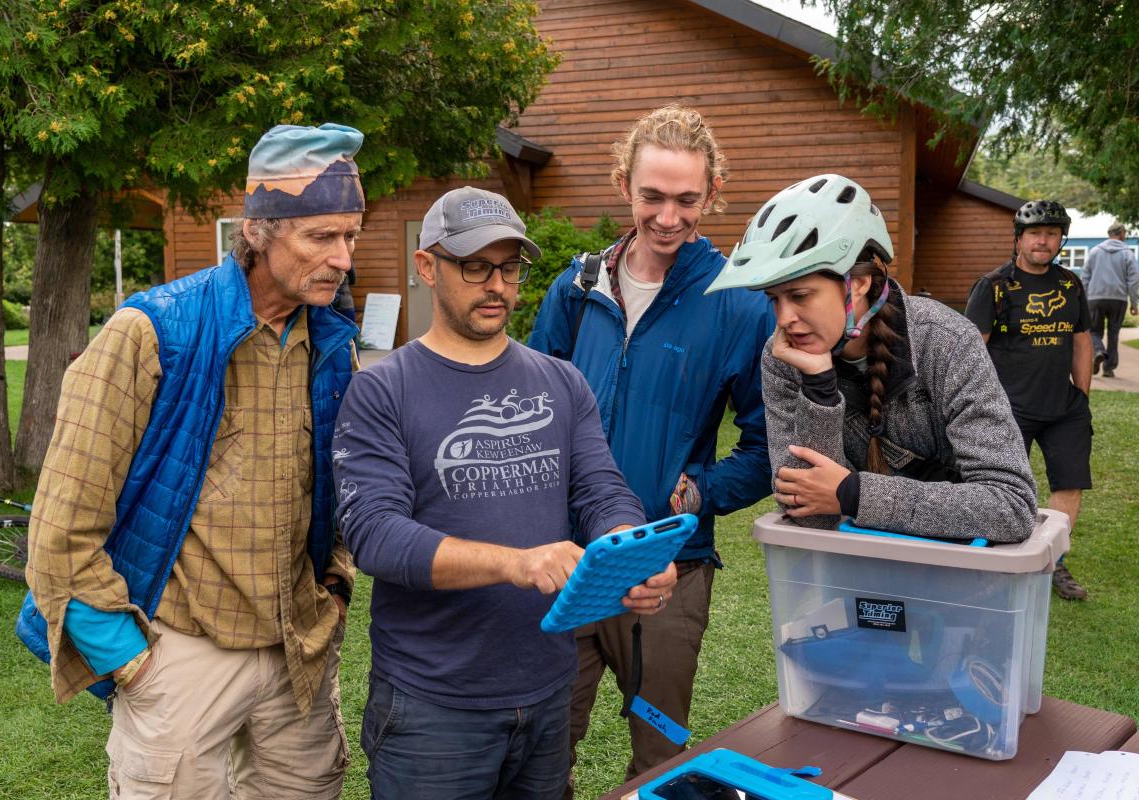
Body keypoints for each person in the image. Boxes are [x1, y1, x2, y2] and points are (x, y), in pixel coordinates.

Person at [21, 123, 365, 798]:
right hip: (178, 652)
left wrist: (336, 587)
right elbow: (60, 534)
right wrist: (132, 663)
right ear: (260, 229)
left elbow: (340, 488)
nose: (344, 258)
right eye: (321, 236)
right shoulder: (149, 331)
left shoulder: (331, 343)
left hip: (298, 650)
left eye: (350, 234)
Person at [333, 186, 677, 800]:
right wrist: (516, 564)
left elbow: (600, 490)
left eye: (510, 266)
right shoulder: (383, 388)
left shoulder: (560, 381)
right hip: (432, 709)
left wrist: (628, 549)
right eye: (475, 266)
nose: (496, 284)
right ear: (425, 267)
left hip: (545, 691)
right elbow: (376, 536)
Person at [529, 105, 775, 787]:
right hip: (571, 563)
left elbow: (766, 448)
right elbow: (529, 413)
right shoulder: (575, 290)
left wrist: (702, 495)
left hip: (669, 577)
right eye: (653, 196)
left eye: (687, 199)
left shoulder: (739, 305)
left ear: (713, 192)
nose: (669, 216)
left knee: (662, 759)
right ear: (623, 186)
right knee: (543, 751)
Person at [705, 174, 1037, 544]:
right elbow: (809, 514)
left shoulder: (946, 342)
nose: (783, 319)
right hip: (852, 579)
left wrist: (854, 492)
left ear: (858, 283)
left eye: (799, 295)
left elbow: (1011, 506)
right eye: (774, 299)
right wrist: (819, 389)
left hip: (955, 577)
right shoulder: (783, 358)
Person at [965, 199, 1093, 599]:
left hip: (1064, 408)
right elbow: (970, 349)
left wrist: (1082, 397)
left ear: (1060, 240)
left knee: (1069, 485)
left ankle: (1054, 561)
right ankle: (1000, 560)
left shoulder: (1070, 284)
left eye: (1052, 234)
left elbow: (1082, 341)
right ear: (1019, 238)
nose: (1044, 241)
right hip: (1008, 409)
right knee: (1003, 488)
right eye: (1035, 233)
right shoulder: (994, 287)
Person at [1083, 221, 1139, 378]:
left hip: (1095, 298)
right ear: (1121, 234)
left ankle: (1099, 351)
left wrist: (1084, 300)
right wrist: (1134, 303)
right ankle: (1109, 369)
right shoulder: (1128, 254)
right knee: (1114, 334)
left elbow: (1085, 277)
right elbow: (1134, 281)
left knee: (1094, 331)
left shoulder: (1094, 252)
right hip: (1118, 299)